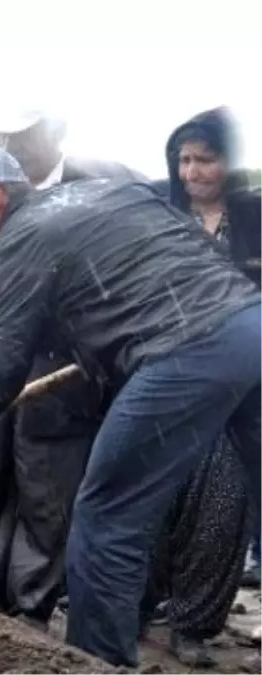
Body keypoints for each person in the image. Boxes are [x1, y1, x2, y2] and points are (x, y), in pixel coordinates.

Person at [0, 145, 262, 668]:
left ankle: (97, 664)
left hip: (185, 351)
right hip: (250, 326)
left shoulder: (19, 240)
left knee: (105, 517)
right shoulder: (100, 195)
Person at [0, 112, 142, 620]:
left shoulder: (90, 190)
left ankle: (31, 602)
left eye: (20, 135)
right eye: (2, 135)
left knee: (45, 486)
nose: (10, 144)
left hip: (56, 368)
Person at [140, 106, 262, 667]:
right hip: (172, 376)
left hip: (243, 386)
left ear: (227, 161)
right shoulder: (159, 219)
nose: (192, 171)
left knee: (226, 501)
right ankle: (140, 608)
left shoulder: (255, 215)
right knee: (158, 499)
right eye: (183, 160)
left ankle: (192, 622)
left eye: (204, 159)